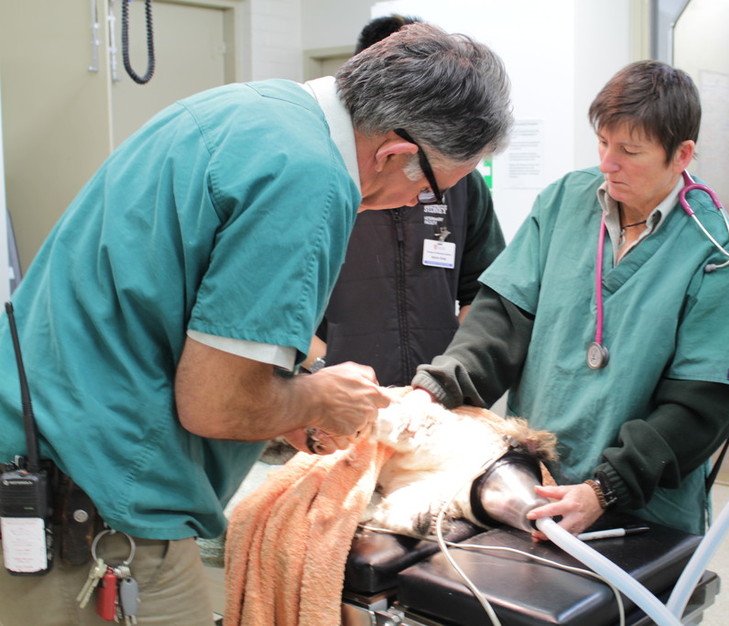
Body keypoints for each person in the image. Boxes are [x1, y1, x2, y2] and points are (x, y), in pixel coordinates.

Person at [0, 23, 511, 625]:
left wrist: (288, 401)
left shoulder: (246, 111)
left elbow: (177, 319)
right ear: (395, 153)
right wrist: (317, 399)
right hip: (99, 513)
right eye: (427, 188)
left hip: (53, 460)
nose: (412, 204)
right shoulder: (309, 178)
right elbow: (214, 403)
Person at [411, 60, 729, 539]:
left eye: (630, 151)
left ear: (681, 155)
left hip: (639, 505)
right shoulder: (563, 203)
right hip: (535, 482)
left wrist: (607, 489)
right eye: (603, 143)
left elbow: (703, 407)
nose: (607, 164)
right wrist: (437, 387)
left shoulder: (718, 254)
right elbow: (502, 320)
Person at [312, 15, 506, 387]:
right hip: (334, 390)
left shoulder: (461, 182)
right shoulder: (327, 180)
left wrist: (450, 371)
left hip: (431, 391)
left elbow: (484, 291)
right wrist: (323, 366)